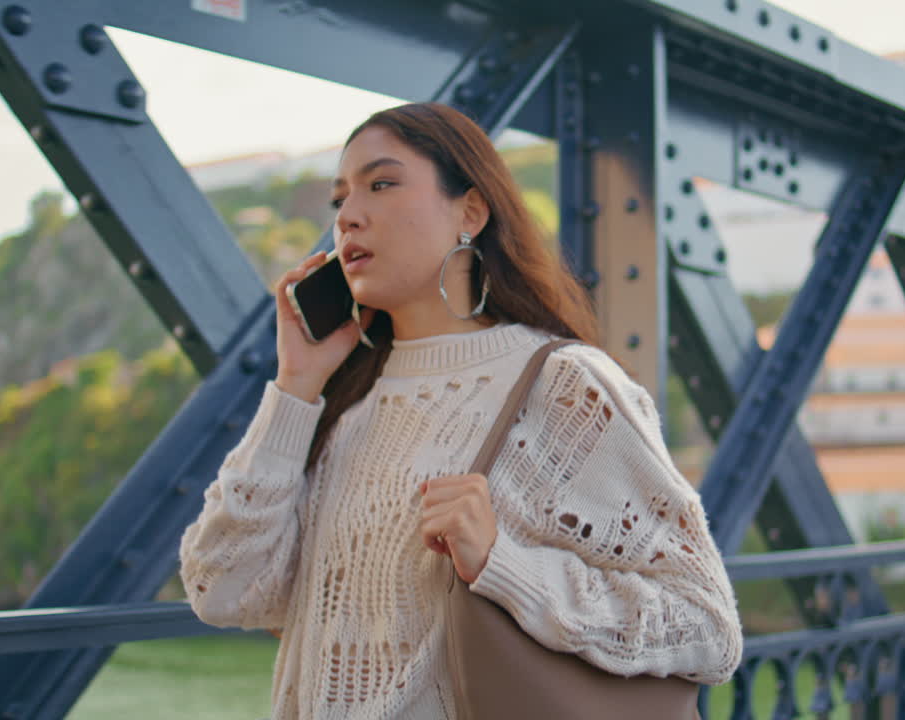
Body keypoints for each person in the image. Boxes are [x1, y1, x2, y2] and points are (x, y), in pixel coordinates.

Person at [178, 102, 743, 719]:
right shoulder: (345, 405)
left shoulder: (565, 388)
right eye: (339, 199)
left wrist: (504, 563)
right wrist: (295, 387)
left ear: (470, 212)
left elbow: (706, 625)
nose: (348, 216)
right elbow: (223, 589)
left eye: (381, 184)